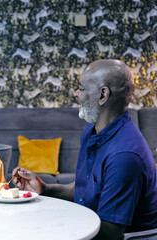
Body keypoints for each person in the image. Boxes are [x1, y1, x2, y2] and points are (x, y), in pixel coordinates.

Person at [12, 59, 157, 239]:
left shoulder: (125, 156)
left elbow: (109, 233)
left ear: (103, 95)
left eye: (81, 88)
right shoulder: (91, 130)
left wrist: (48, 226)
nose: (76, 93)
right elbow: (84, 191)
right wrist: (45, 188)